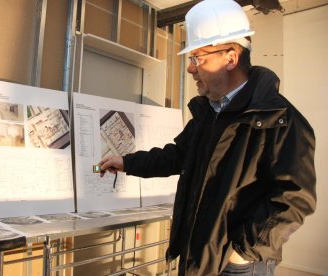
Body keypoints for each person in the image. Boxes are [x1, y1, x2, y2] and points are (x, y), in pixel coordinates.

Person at [99, 0, 316, 275]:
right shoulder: (209, 113)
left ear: (230, 58)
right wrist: (127, 162)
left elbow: (296, 200)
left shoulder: (281, 121)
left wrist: (243, 252)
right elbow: (176, 156)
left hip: (236, 265)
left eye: (197, 58)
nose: (191, 69)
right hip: (196, 253)